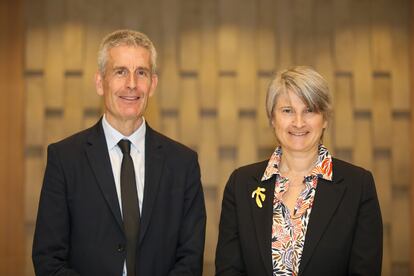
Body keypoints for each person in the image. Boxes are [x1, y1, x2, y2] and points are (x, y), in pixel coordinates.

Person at [33, 29, 206, 276]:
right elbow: (48, 259)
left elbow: (190, 259)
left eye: (141, 73)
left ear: (153, 84)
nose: (132, 84)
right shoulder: (65, 159)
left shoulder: (183, 163)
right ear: (99, 82)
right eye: (120, 72)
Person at [215, 66, 383, 276]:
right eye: (287, 111)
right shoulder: (241, 183)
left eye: (309, 110)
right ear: (272, 119)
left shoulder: (358, 185)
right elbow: (229, 269)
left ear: (325, 119)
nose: (298, 122)